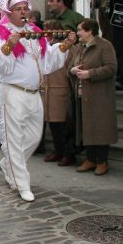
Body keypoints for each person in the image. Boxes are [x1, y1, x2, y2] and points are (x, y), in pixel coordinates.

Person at [0, 0, 76, 202]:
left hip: (34, 93)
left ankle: (8, 163)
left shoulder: (36, 33)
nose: (23, 11)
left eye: (25, 7)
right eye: (18, 8)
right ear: (9, 12)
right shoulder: (1, 32)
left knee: (34, 138)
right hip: (13, 92)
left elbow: (47, 62)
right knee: (15, 139)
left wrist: (64, 46)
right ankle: (21, 183)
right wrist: (9, 45)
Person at [68, 19, 118, 175]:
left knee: (100, 128)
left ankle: (102, 161)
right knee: (85, 127)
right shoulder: (79, 48)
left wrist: (90, 74)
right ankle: (89, 159)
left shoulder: (104, 45)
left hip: (99, 95)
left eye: (80, 30)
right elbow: (70, 67)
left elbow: (111, 68)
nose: (78, 33)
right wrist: (73, 70)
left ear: (90, 31)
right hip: (82, 95)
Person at [39, 20, 76, 167]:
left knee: (62, 124)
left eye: (47, 30)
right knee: (52, 124)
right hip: (48, 88)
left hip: (60, 87)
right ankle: (58, 150)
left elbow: (69, 66)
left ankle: (67, 153)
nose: (45, 33)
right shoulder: (47, 46)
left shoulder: (66, 47)